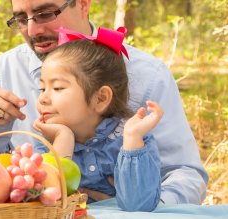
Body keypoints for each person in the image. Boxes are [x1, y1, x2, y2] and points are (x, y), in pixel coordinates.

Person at [0, 0, 208, 204]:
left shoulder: (148, 74)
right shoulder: (5, 71)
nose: (32, 30)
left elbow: (184, 173)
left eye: (44, 14)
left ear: (83, 4)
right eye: (21, 19)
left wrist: (142, 205)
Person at [33, 27, 162, 211]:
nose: (43, 98)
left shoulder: (133, 141)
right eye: (42, 88)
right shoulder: (45, 145)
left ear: (100, 98)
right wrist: (63, 138)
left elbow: (140, 207)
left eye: (58, 88)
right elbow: (47, 202)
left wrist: (133, 141)